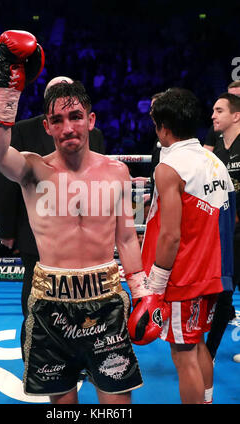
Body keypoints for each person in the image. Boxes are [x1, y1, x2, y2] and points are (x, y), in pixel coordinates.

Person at [0, 30, 146, 404]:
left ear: (91, 120)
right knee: (63, 406)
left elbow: (125, 238)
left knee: (117, 402)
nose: (67, 127)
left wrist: (141, 293)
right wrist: (6, 89)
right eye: (57, 120)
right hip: (51, 305)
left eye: (75, 117)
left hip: (105, 301)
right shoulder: (33, 170)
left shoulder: (117, 172)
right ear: (46, 126)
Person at [0, 76, 105, 355]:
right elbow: (7, 181)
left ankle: (84, 358)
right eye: (57, 114)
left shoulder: (95, 135)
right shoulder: (22, 131)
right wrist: (7, 229)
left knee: (88, 307)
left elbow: (99, 182)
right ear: (47, 113)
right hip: (38, 235)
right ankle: (35, 359)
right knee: (34, 301)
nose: (67, 125)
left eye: (75, 111)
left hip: (86, 241)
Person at [141, 88, 235, 404]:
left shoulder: (169, 168)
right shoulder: (215, 162)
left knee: (183, 355)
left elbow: (170, 235)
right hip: (213, 273)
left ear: (163, 127)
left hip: (185, 278)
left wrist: (155, 285)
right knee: (198, 345)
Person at [205, 92, 240, 362]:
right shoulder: (216, 145)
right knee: (223, 294)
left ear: (236, 116)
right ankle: (209, 354)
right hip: (225, 234)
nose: (213, 115)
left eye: (219, 110)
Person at [203, 81, 240, 152]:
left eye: (238, 96)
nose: (233, 100)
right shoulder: (217, 126)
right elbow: (205, 157)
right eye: (230, 96)